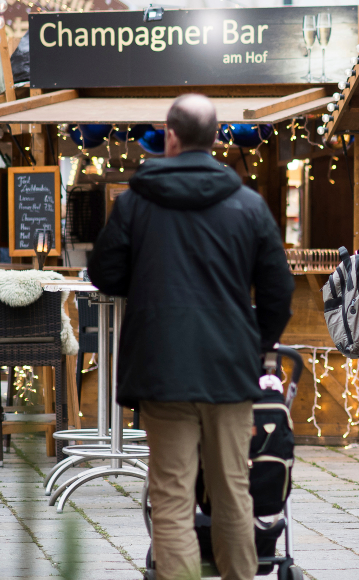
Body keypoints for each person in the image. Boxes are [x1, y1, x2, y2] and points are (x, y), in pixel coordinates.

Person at [88, 94, 295, 580]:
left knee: (172, 495)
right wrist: (257, 347)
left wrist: (147, 276)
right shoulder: (248, 204)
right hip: (229, 368)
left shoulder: (135, 201)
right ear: (217, 138)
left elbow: (105, 274)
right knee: (232, 490)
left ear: (171, 136)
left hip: (162, 368)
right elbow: (278, 289)